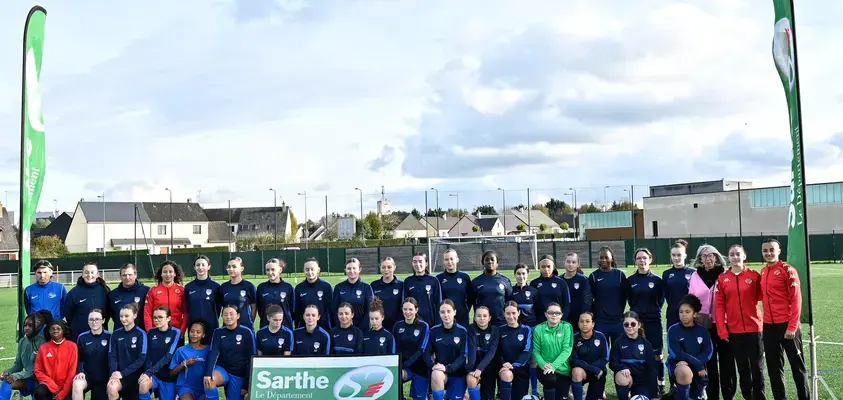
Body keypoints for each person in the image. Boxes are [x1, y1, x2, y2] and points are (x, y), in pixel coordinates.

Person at [760, 238, 810, 400]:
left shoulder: (787, 270)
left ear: (779, 251)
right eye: (765, 250)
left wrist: (792, 326)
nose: (768, 253)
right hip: (769, 327)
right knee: (774, 368)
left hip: (787, 326)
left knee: (797, 367)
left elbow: (797, 299)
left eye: (771, 250)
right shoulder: (763, 271)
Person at [715, 244, 765, 400]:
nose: (735, 257)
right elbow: (719, 305)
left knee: (757, 367)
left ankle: (759, 396)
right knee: (742, 368)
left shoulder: (754, 275)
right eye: (732, 254)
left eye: (738, 254)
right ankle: (747, 396)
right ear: (728, 258)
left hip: (755, 328)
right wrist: (722, 330)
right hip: (734, 331)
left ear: (744, 256)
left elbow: (762, 297)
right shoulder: (723, 279)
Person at [689, 244, 736, 400]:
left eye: (711, 255)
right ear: (700, 259)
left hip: (724, 324)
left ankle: (729, 395)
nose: (708, 258)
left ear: (716, 257)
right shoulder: (695, 276)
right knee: (709, 363)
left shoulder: (725, 274)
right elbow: (691, 300)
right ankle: (712, 395)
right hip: (704, 326)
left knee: (727, 362)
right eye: (704, 255)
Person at [625, 247, 667, 396]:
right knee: (637, 354)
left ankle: (660, 384)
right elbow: (630, 300)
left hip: (654, 321)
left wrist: (651, 311)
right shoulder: (630, 281)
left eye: (644, 258)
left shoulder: (657, 280)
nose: (642, 261)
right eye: (639, 258)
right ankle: (636, 385)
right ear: (635, 261)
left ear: (650, 259)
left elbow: (660, 300)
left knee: (657, 355)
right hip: (637, 323)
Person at [530, 254, 568, 398]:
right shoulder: (534, 284)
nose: (546, 269)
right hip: (540, 328)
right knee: (536, 358)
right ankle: (534, 390)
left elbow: (567, 305)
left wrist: (561, 323)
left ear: (553, 267)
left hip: (558, 326)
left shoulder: (561, 283)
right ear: (539, 268)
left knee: (560, 355)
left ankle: (564, 388)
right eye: (543, 266)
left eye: (548, 266)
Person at [204, 305, 257, 400]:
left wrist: (246, 385)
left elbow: (251, 358)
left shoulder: (246, 332)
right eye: (225, 314)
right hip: (223, 370)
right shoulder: (218, 332)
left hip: (238, 373)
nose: (228, 317)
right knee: (209, 381)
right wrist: (208, 374)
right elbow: (213, 353)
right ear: (222, 317)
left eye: (231, 314)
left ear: (238, 316)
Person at [424, 300, 473, 400]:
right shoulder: (434, 331)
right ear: (439, 314)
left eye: (449, 311)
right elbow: (426, 352)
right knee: (436, 374)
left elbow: (463, 355)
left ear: (454, 312)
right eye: (442, 312)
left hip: (458, 374)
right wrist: (433, 366)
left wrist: (448, 368)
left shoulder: (462, 331)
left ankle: (459, 392)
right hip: (441, 372)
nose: (446, 315)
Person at [667, 294, 713, 400]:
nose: (683, 315)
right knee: (684, 371)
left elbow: (708, 351)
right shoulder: (673, 330)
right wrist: (698, 364)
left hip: (698, 367)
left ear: (695, 314)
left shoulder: (702, 331)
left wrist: (697, 364)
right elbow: (677, 353)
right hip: (680, 365)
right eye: (681, 312)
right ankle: (679, 391)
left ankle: (700, 391)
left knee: (695, 396)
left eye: (687, 312)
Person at [532, 302, 574, 400]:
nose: (554, 315)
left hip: (563, 369)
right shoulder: (539, 329)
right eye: (550, 312)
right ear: (546, 314)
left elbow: (567, 350)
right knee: (549, 379)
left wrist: (554, 365)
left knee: (561, 397)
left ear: (561, 315)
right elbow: (535, 351)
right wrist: (543, 364)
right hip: (545, 368)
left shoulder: (567, 327)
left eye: (557, 313)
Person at [610, 311, 658, 399]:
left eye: (633, 324)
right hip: (626, 378)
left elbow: (651, 368)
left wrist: (653, 392)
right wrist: (622, 367)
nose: (629, 327)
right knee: (621, 377)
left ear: (639, 325)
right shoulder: (618, 343)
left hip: (642, 382)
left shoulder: (646, 344)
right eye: (626, 324)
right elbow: (612, 363)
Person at [139, 306, 182, 400]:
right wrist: (148, 372)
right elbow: (148, 355)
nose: (157, 320)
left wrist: (150, 371)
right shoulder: (151, 332)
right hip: (154, 375)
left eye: (160, 317)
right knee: (143, 385)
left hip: (168, 376)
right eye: (155, 317)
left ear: (168, 318)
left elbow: (169, 356)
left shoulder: (176, 332)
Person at [0, 313, 45, 400]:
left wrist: (15, 376)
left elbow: (36, 371)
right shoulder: (22, 341)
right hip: (28, 379)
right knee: (7, 382)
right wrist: (7, 372)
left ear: (39, 327)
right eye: (25, 325)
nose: (26, 328)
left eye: (30, 326)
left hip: (41, 382)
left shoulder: (43, 343)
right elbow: (18, 365)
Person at [107, 303, 148, 400]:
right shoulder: (116, 334)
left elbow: (141, 359)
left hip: (135, 377)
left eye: (126, 316)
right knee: (111, 388)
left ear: (135, 315)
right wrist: (114, 373)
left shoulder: (140, 334)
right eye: (121, 316)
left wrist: (123, 373)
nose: (123, 319)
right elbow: (112, 356)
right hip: (119, 376)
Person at [393, 298, 430, 400]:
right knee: (395, 376)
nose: (407, 312)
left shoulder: (423, 326)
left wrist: (406, 364)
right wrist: (400, 365)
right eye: (405, 309)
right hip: (404, 367)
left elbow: (421, 350)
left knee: (420, 398)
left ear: (416, 310)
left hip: (420, 366)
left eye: (410, 309)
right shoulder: (397, 326)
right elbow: (395, 348)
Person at [589, 246, 626, 346]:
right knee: (602, 352)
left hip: (617, 321)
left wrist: (619, 312)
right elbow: (589, 298)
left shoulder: (619, 275)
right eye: (601, 257)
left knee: (617, 353)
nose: (604, 260)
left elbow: (624, 297)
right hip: (601, 321)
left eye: (606, 257)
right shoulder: (593, 276)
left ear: (612, 258)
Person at [64, 262, 110, 341]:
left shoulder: (105, 290)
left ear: (97, 274)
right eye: (86, 272)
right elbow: (69, 315)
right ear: (82, 274)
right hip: (79, 335)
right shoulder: (74, 293)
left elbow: (109, 311)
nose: (89, 275)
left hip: (101, 335)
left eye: (92, 272)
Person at [72, 310, 111, 400]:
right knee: (77, 384)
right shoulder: (82, 337)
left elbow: (113, 358)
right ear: (88, 321)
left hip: (103, 378)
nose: (94, 322)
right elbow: (80, 358)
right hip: (87, 376)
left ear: (103, 320)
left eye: (97, 319)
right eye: (91, 319)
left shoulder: (110, 336)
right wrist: (81, 371)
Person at [497, 301, 533, 400]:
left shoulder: (527, 330)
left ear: (519, 313)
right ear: (504, 314)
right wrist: (504, 363)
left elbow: (527, 351)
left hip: (521, 369)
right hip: (505, 368)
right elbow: (496, 351)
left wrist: (514, 365)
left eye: (513, 313)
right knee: (506, 374)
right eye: (508, 313)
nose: (511, 316)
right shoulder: (499, 330)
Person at [34, 320, 78, 400]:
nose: (55, 330)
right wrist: (53, 386)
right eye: (52, 329)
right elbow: (38, 370)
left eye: (58, 328)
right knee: (39, 392)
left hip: (66, 387)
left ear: (63, 330)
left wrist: (61, 395)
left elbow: (72, 372)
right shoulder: (43, 348)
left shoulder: (72, 346)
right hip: (49, 385)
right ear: (49, 331)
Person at [144, 261, 188, 342]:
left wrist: (181, 332)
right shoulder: (153, 291)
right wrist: (150, 331)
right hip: (157, 332)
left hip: (176, 332)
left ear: (175, 274)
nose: (168, 274)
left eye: (170, 271)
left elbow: (186, 313)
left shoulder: (181, 290)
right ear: (161, 274)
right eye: (165, 272)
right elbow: (147, 313)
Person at [570, 312, 609, 400]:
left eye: (587, 321)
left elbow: (605, 357)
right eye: (582, 321)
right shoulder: (574, 338)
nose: (584, 324)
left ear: (593, 324)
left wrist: (595, 369)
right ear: (578, 324)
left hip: (598, 373)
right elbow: (574, 360)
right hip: (583, 372)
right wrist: (592, 368)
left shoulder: (601, 336)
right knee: (576, 371)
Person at [469, 250, 513, 326]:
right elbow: (471, 302)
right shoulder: (475, 282)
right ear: (483, 263)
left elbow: (509, 302)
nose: (490, 262)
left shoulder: (505, 281)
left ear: (497, 263)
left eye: (492, 259)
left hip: (501, 323)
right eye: (487, 260)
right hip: (481, 324)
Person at [169, 320, 210, 400]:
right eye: (192, 331)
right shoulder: (181, 350)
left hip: (204, 387)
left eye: (198, 332)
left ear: (203, 335)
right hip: (185, 387)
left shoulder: (208, 350)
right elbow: (172, 372)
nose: (194, 334)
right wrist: (185, 363)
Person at [466, 306, 499, 400]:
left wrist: (480, 368)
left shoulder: (495, 330)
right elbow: (472, 350)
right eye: (479, 316)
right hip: (474, 366)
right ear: (475, 317)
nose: (482, 318)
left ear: (489, 318)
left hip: (489, 367)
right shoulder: (471, 328)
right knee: (471, 379)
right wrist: (472, 369)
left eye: (485, 316)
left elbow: (492, 352)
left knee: (488, 397)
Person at [332, 258, 374, 330]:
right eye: (349, 268)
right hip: (343, 328)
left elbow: (370, 310)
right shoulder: (339, 287)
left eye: (354, 268)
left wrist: (362, 328)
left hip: (362, 329)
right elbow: (334, 309)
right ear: (345, 270)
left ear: (359, 269)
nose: (351, 271)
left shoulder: (366, 287)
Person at [217, 257, 257, 331]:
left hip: (245, 326)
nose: (231, 269)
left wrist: (250, 321)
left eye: (234, 266)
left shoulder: (249, 286)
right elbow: (221, 307)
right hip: (228, 327)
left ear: (241, 268)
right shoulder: (224, 287)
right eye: (229, 267)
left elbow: (254, 307)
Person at [107, 263, 150, 331]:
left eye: (130, 275)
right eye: (124, 275)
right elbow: (112, 315)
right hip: (120, 335)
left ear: (135, 275)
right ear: (120, 277)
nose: (127, 277)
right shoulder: (113, 294)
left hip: (140, 334)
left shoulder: (146, 291)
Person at [403, 252, 443, 326]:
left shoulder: (433, 280)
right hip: (413, 322)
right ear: (412, 264)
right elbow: (405, 303)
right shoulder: (408, 281)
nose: (417, 264)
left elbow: (438, 303)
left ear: (426, 263)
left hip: (430, 323)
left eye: (420, 261)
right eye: (415, 262)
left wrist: (438, 323)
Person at [185, 255, 222, 332]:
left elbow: (218, 308)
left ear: (208, 266)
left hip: (211, 326)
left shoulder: (216, 286)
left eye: (203, 265)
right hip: (194, 327)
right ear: (194, 267)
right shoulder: (188, 287)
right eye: (198, 265)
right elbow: (187, 308)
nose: (200, 267)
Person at [436, 249, 472, 327]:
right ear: (443, 261)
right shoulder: (438, 278)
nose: (449, 262)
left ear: (457, 259)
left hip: (462, 318)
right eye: (446, 259)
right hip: (445, 318)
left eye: (452, 259)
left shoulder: (465, 277)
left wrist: (464, 309)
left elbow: (470, 298)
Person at [256, 258, 295, 330]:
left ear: (280, 270)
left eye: (273, 269)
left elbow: (293, 310)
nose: (270, 272)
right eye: (267, 270)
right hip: (266, 328)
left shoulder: (288, 287)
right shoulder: (261, 288)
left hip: (285, 328)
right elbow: (260, 310)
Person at [663, 240, 695, 328]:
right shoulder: (666, 274)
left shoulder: (693, 273)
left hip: (689, 314)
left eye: (679, 255)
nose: (676, 258)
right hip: (673, 313)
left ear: (685, 256)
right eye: (673, 255)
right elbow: (665, 294)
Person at [294, 258, 333, 330]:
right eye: (307, 269)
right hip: (304, 329)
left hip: (323, 328)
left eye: (312, 269)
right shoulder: (299, 288)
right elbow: (297, 312)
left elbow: (332, 310)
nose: (310, 272)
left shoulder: (326, 287)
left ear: (318, 270)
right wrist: (297, 328)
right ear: (304, 270)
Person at [371, 257, 404, 334]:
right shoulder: (374, 285)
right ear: (380, 268)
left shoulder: (401, 285)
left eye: (389, 267)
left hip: (397, 326)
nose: (386, 270)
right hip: (379, 326)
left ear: (394, 267)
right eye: (383, 267)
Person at [561, 252, 592, 331]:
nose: (570, 264)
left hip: (579, 318)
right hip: (562, 318)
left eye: (573, 262)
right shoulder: (559, 280)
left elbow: (587, 300)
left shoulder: (583, 280)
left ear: (578, 264)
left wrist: (583, 317)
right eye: (568, 262)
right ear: (564, 263)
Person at [511, 263, 537, 327]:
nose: (521, 276)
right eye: (518, 274)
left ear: (527, 274)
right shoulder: (511, 291)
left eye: (523, 273)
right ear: (515, 275)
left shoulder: (534, 291)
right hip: (516, 326)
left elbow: (538, 309)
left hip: (531, 325)